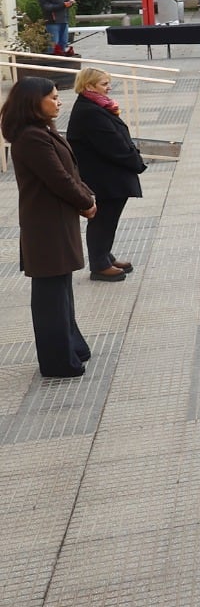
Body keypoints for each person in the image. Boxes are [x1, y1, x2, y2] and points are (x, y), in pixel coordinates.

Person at [4, 77, 97, 377]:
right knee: (51, 298)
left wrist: (85, 194)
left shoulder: (42, 130)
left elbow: (69, 169)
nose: (59, 102)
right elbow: (58, 178)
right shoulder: (31, 137)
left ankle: (72, 348)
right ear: (34, 102)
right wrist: (86, 201)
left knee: (61, 292)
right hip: (46, 226)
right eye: (53, 97)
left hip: (56, 221)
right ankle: (58, 360)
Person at [64, 68, 145, 282]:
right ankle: (99, 264)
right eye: (104, 84)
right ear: (89, 86)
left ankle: (105, 256)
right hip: (103, 174)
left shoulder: (95, 105)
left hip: (107, 172)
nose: (108, 87)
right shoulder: (89, 110)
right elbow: (112, 144)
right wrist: (136, 161)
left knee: (108, 218)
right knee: (104, 218)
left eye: (108, 83)